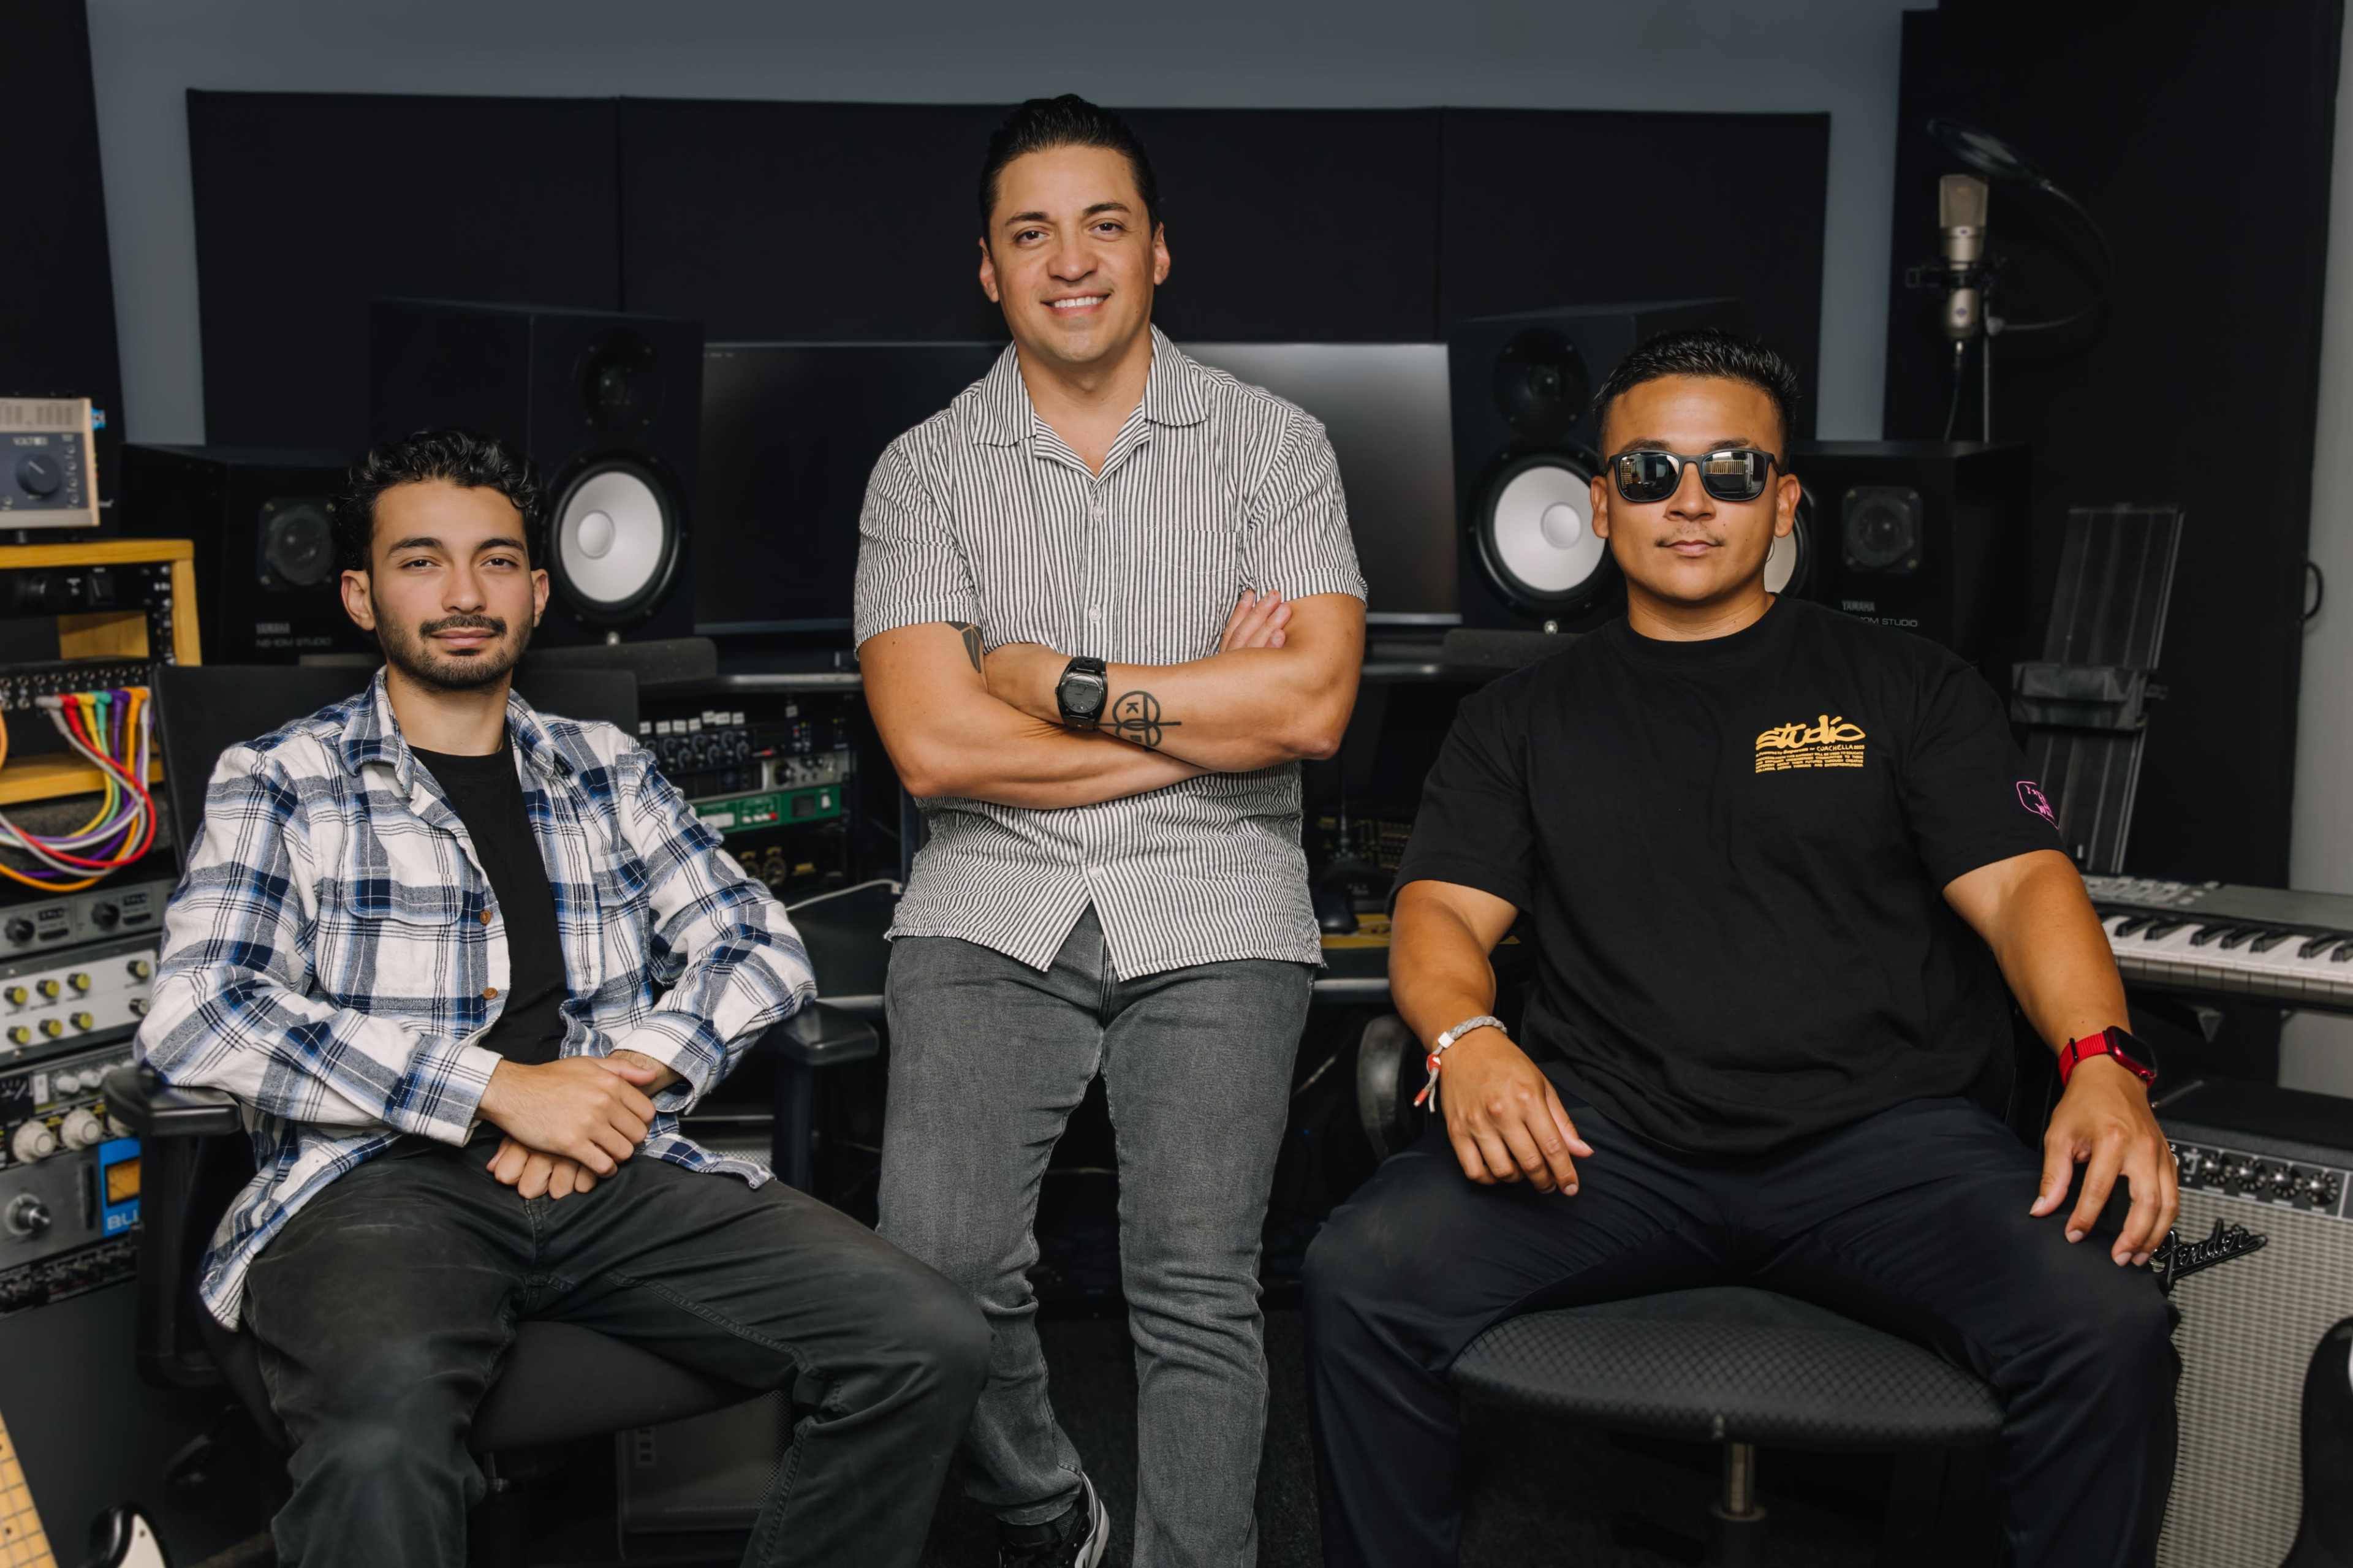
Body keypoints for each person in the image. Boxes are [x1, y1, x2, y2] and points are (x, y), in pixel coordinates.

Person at [1302, 330, 2179, 1568]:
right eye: (1650, 470)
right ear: (1599, 502)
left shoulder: (1907, 685)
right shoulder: (1518, 719)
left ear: (1785, 500)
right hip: (1605, 1149)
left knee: (2107, 1320)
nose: (1691, 499)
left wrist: (2101, 1059)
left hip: (1885, 1146)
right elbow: (1440, 915)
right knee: (1360, 1276)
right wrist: (1468, 1037)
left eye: (1732, 468)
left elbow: (2026, 885)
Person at [135, 429, 988, 1568]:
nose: (463, 593)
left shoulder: (605, 767)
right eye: (421, 561)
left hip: (609, 1169)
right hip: (375, 1185)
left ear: (537, 594)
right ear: (360, 595)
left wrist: (609, 1089)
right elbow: (199, 1009)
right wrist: (497, 1090)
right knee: (381, 1449)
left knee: (927, 1340)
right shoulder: (281, 777)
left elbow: (756, 942)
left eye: (495, 562)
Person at [854, 94, 1367, 1568]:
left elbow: (1313, 707)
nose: (1069, 260)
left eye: (1103, 225)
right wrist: (1200, 705)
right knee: (937, 1271)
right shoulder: (922, 470)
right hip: (987, 901)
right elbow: (934, 746)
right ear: (988, 269)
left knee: (1197, 1285)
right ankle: (1050, 1512)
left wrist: (1057, 684)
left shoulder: (1276, 447)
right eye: (1032, 233)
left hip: (1221, 896)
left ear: (1158, 250)